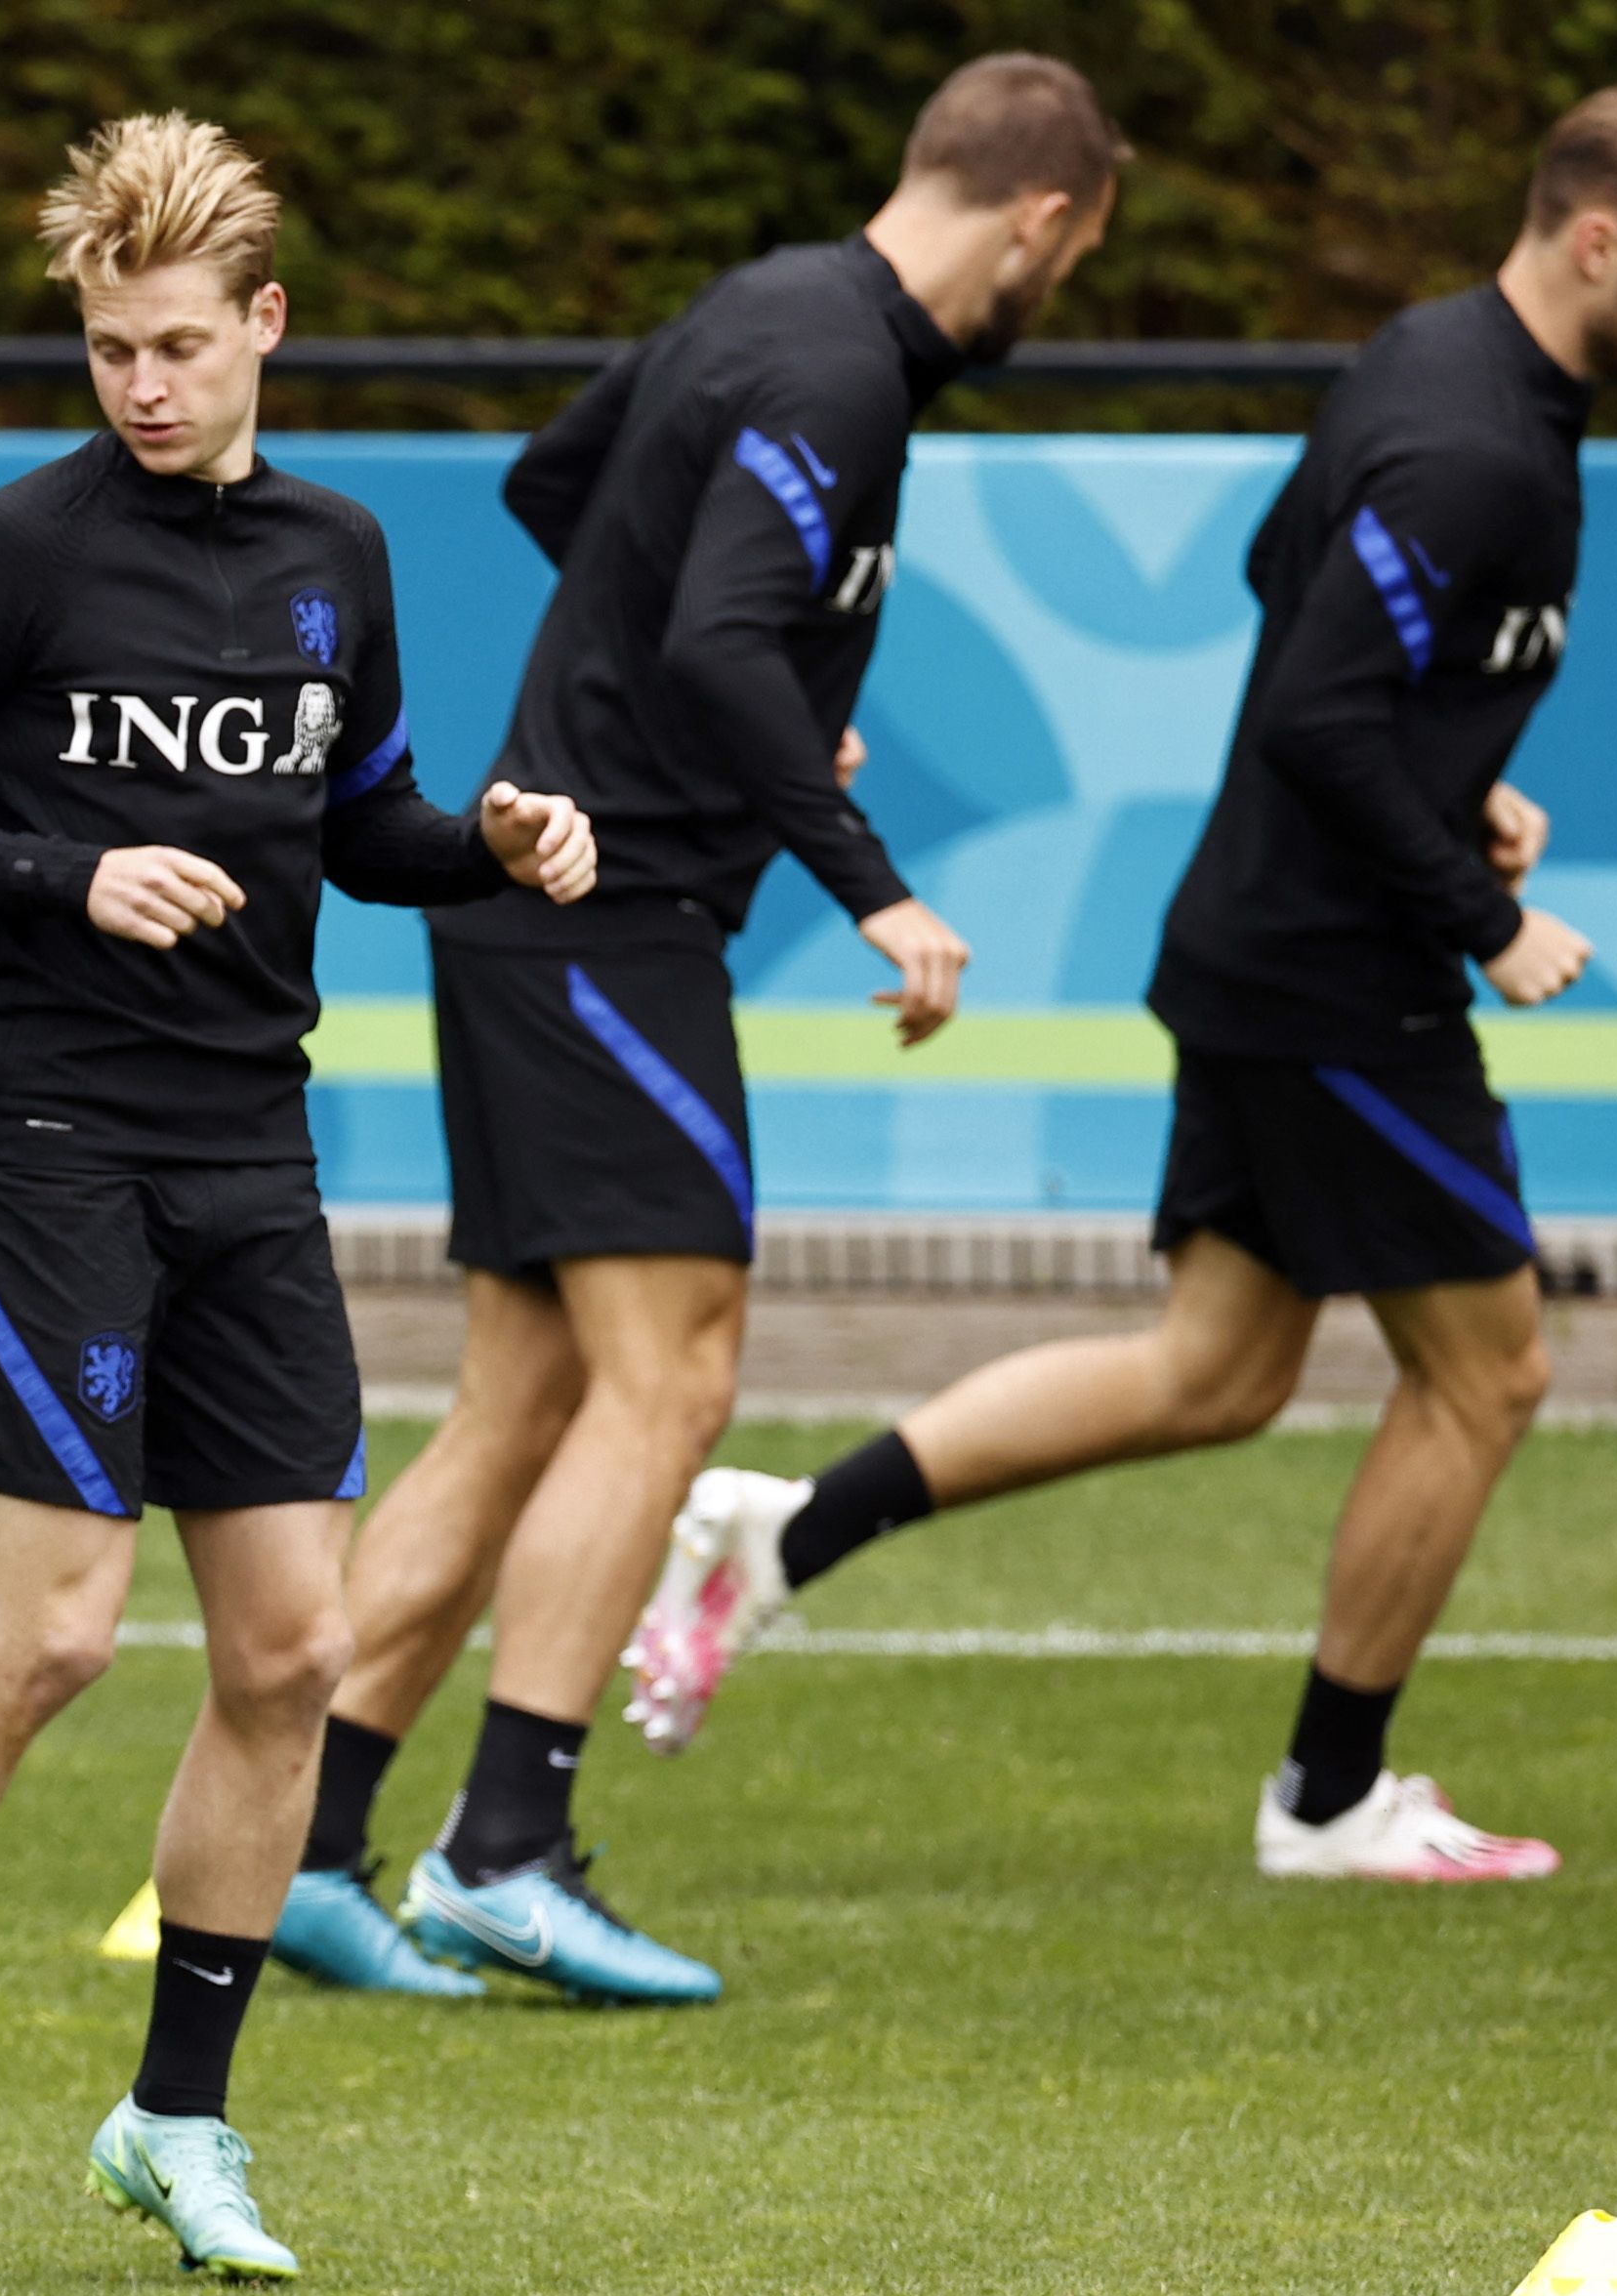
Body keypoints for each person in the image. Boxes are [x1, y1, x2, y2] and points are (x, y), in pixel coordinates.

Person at [628, 90, 1617, 1883]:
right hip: (1335, 979)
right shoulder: (1474, 441)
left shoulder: (1440, 369)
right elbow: (1316, 708)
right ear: (1596, 240)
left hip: (1269, 950)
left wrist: (1459, 779)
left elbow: (1284, 589)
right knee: (1494, 1373)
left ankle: (785, 1532)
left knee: (1215, 1369)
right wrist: (1476, 903)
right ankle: (1328, 1796)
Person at [0, 112, 600, 2283]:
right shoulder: (11, 551)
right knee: (50, 1634)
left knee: (294, 1648)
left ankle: (176, 2117)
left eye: (176, 346)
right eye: (108, 348)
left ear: (263, 330)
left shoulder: (339, 554)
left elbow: (375, 814)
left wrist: (492, 841)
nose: (141, 384)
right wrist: (66, 871)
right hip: (38, 1140)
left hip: (251, 1149)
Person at [286, 56, 1123, 2004]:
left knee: (528, 1403)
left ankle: (308, 1846)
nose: (1056, 292)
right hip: (605, 918)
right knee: (672, 1375)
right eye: (1073, 260)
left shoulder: (768, 303)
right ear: (1043, 222)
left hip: (549, 898)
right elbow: (720, 638)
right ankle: (503, 1847)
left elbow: (560, 490)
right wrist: (873, 882)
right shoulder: (836, 368)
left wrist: (722, 694)